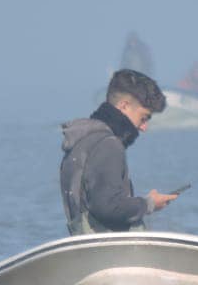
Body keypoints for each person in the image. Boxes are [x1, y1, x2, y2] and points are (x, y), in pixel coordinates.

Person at [60, 69, 178, 235]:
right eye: (143, 118)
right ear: (124, 106)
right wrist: (149, 203)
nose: (144, 127)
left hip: (86, 249)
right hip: (108, 251)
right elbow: (108, 207)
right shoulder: (108, 145)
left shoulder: (81, 140)